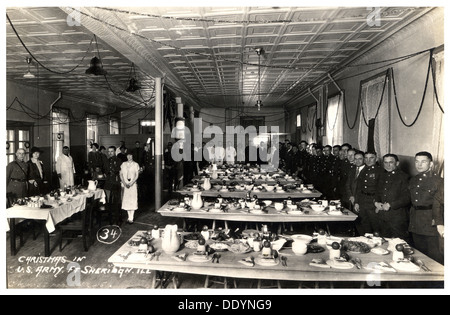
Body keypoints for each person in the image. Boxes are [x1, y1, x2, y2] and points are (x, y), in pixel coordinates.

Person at [408, 151, 444, 265]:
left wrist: (439, 223)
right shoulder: (413, 179)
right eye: (417, 161)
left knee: (434, 257)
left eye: (423, 161)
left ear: (431, 164)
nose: (419, 164)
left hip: (430, 223)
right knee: (419, 254)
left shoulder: (439, 181)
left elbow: (440, 205)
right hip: (415, 221)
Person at [374, 154, 410, 239]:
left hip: (397, 218)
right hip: (382, 216)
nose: (388, 165)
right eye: (385, 163)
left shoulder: (404, 177)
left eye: (391, 162)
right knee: (384, 242)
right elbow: (377, 192)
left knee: (399, 243)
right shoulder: (382, 175)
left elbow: (407, 198)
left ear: (397, 163)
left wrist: (390, 205)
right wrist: (376, 202)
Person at [354, 151, 383, 235]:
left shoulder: (380, 171)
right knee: (364, 226)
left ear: (376, 158)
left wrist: (378, 203)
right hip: (363, 202)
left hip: (373, 202)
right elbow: (359, 188)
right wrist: (357, 202)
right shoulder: (363, 170)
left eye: (371, 158)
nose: (368, 160)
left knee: (376, 227)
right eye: (366, 158)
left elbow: (381, 190)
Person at [345, 151, 366, 235]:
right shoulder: (352, 169)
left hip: (361, 201)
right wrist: (351, 196)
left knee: (361, 224)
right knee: (354, 221)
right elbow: (347, 185)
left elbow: (362, 189)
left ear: (364, 159)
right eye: (355, 159)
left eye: (360, 159)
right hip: (352, 199)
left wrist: (356, 199)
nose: (357, 161)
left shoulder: (366, 171)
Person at [120, 153, 140, 224]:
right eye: (128, 155)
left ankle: (132, 217)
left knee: (133, 200)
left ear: (132, 156)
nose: (129, 157)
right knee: (127, 200)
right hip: (125, 185)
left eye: (130, 155)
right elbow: (121, 174)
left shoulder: (136, 164)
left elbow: (137, 176)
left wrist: (131, 183)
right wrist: (125, 183)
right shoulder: (123, 164)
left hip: (133, 184)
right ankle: (129, 217)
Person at [104, 146, 122, 215]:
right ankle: (109, 213)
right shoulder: (107, 160)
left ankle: (117, 214)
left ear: (114, 152)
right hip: (108, 181)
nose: (110, 153)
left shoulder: (118, 160)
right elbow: (105, 169)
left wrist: (114, 172)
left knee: (117, 199)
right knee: (108, 198)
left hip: (116, 182)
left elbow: (119, 170)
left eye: (111, 151)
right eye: (109, 151)